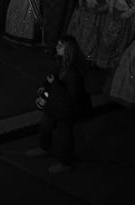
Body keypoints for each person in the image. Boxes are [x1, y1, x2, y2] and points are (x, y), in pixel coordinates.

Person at [25, 36, 90, 173]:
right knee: (45, 126)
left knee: (64, 135)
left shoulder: (73, 73)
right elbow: (52, 78)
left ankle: (65, 163)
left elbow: (69, 97)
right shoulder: (60, 62)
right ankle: (44, 147)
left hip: (68, 109)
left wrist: (53, 84)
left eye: (60, 46)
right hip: (55, 105)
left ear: (68, 50)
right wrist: (45, 88)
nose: (56, 47)